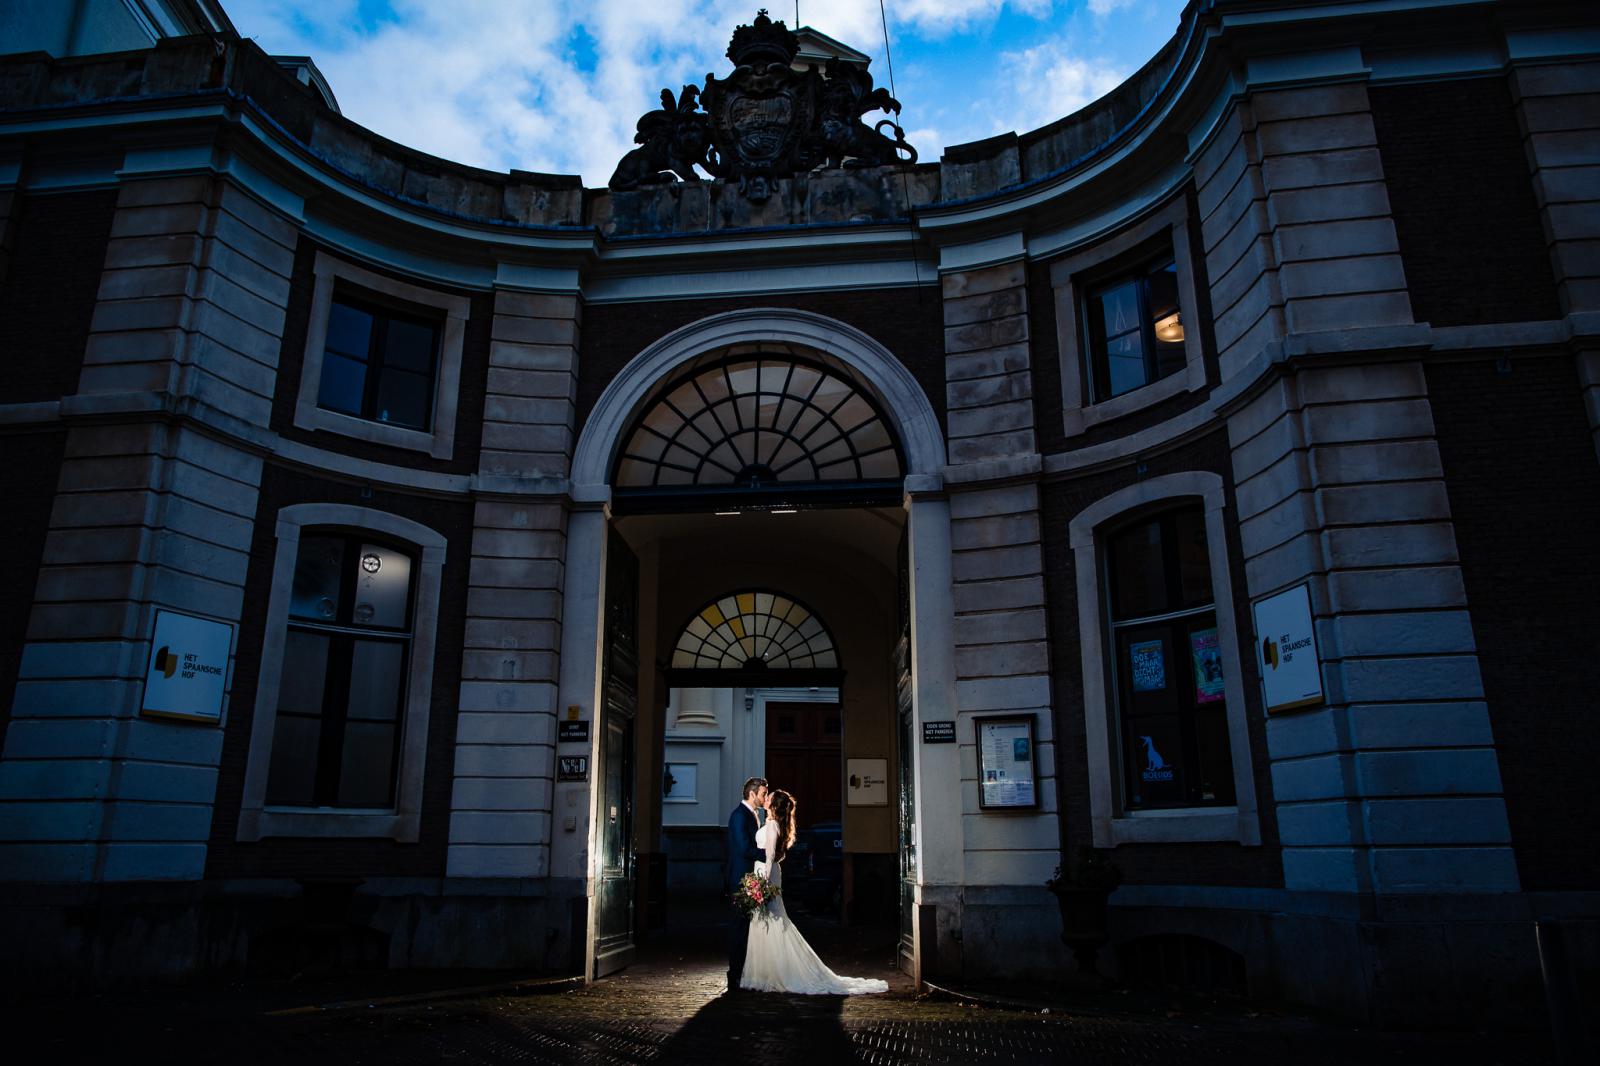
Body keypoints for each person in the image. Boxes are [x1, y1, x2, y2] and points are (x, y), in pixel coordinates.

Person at [740, 789, 889, 995]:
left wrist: (764, 881)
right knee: (765, 919)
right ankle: (764, 971)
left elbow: (772, 854)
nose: (765, 799)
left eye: (770, 797)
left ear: (773, 805)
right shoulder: (771, 823)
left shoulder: (773, 825)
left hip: (766, 874)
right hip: (764, 871)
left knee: (772, 919)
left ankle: (775, 972)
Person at [724, 776, 768, 993]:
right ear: (752, 794)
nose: (765, 798)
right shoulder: (739, 816)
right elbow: (743, 848)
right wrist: (768, 855)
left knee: (747, 928)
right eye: (762, 794)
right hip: (740, 879)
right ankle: (734, 975)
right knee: (738, 928)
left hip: (751, 878)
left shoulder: (752, 815)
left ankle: (743, 973)